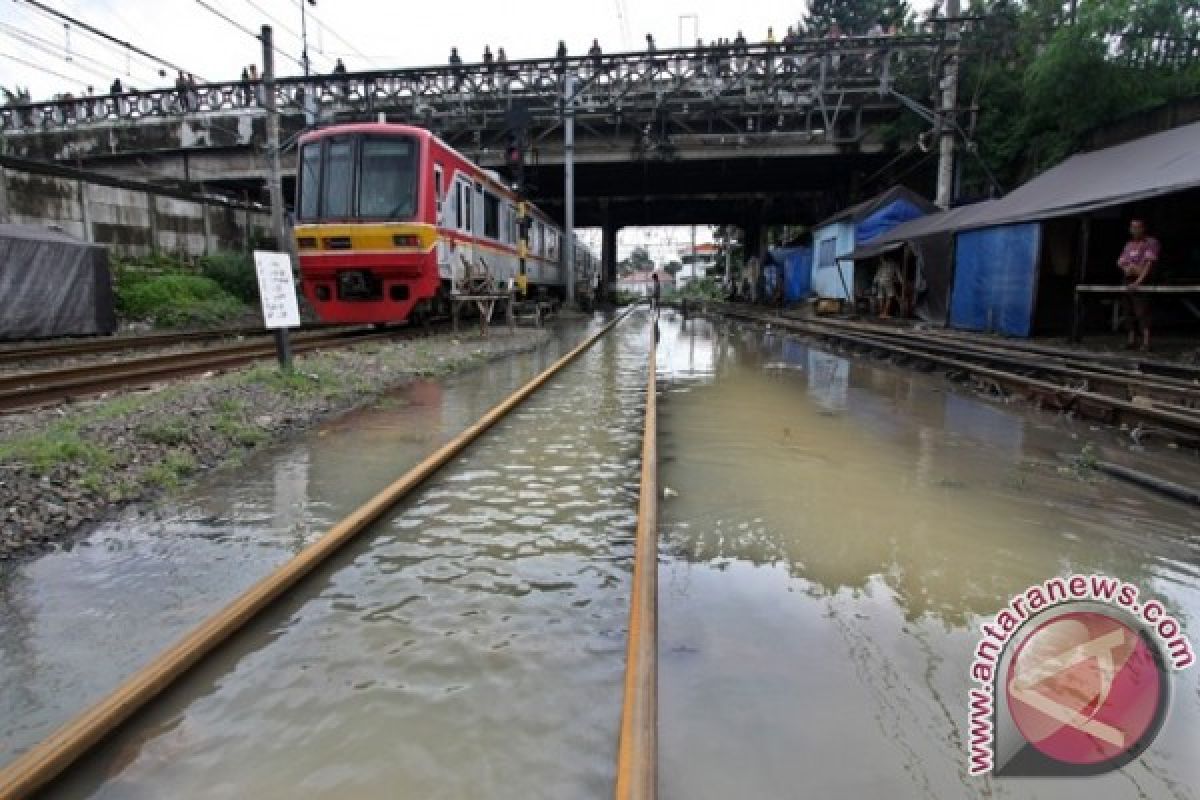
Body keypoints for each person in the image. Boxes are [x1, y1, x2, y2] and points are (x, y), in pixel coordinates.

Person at [1117, 218, 1160, 351]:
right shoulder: (1129, 244)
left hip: (1143, 280)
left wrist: (1138, 281)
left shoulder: (1151, 242)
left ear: (1143, 228)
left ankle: (1146, 342)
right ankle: (1131, 340)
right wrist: (1128, 269)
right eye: (1132, 227)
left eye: (1137, 227)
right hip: (1128, 279)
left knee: (1142, 311)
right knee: (1128, 311)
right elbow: (1120, 261)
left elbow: (1148, 264)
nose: (1134, 230)